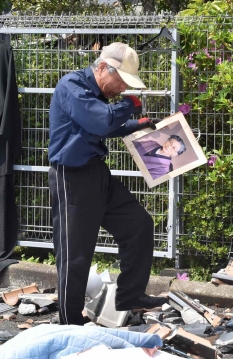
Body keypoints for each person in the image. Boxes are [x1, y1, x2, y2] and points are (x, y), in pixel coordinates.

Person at [48, 42, 167, 325]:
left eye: (127, 85)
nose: (123, 89)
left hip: (96, 174)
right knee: (75, 253)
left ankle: (130, 296)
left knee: (138, 224)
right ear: (103, 68)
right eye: (121, 81)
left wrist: (139, 124)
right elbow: (101, 122)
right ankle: (70, 322)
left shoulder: (97, 91)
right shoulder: (72, 86)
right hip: (71, 177)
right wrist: (130, 105)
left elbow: (104, 126)